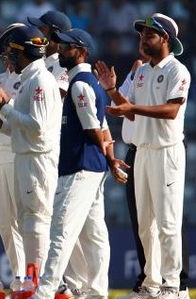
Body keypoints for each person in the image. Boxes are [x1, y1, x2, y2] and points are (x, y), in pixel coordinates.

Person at [95, 13, 191, 299]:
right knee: (145, 223)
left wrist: (130, 110)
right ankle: (151, 284)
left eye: (149, 35)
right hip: (142, 152)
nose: (142, 40)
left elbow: (172, 110)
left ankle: (173, 286)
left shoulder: (177, 70)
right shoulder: (140, 72)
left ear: (165, 39)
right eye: (141, 35)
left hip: (166, 152)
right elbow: (125, 107)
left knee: (167, 221)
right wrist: (111, 90)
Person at [31, 28, 128, 299]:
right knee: (93, 234)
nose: (60, 50)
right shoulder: (89, 82)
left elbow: (93, 129)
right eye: (60, 46)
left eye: (66, 47)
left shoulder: (80, 84)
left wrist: (107, 156)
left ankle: (45, 292)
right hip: (91, 167)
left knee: (61, 231)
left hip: (80, 167)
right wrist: (109, 159)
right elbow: (104, 128)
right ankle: (96, 292)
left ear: (81, 51)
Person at [0, 25, 62, 278]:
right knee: (28, 220)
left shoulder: (39, 81)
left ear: (22, 53)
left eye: (11, 53)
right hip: (27, 156)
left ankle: (38, 283)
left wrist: (6, 108)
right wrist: (3, 126)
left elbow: (37, 126)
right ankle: (33, 282)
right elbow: (27, 126)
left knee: (35, 222)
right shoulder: (32, 78)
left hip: (36, 159)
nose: (8, 58)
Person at [0, 23, 26, 278]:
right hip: (0, 153)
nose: (6, 58)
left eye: (10, 51)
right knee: (5, 222)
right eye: (4, 53)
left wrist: (4, 119)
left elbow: (30, 119)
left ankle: (37, 278)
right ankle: (20, 277)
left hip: (22, 152)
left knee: (26, 220)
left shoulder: (31, 79)